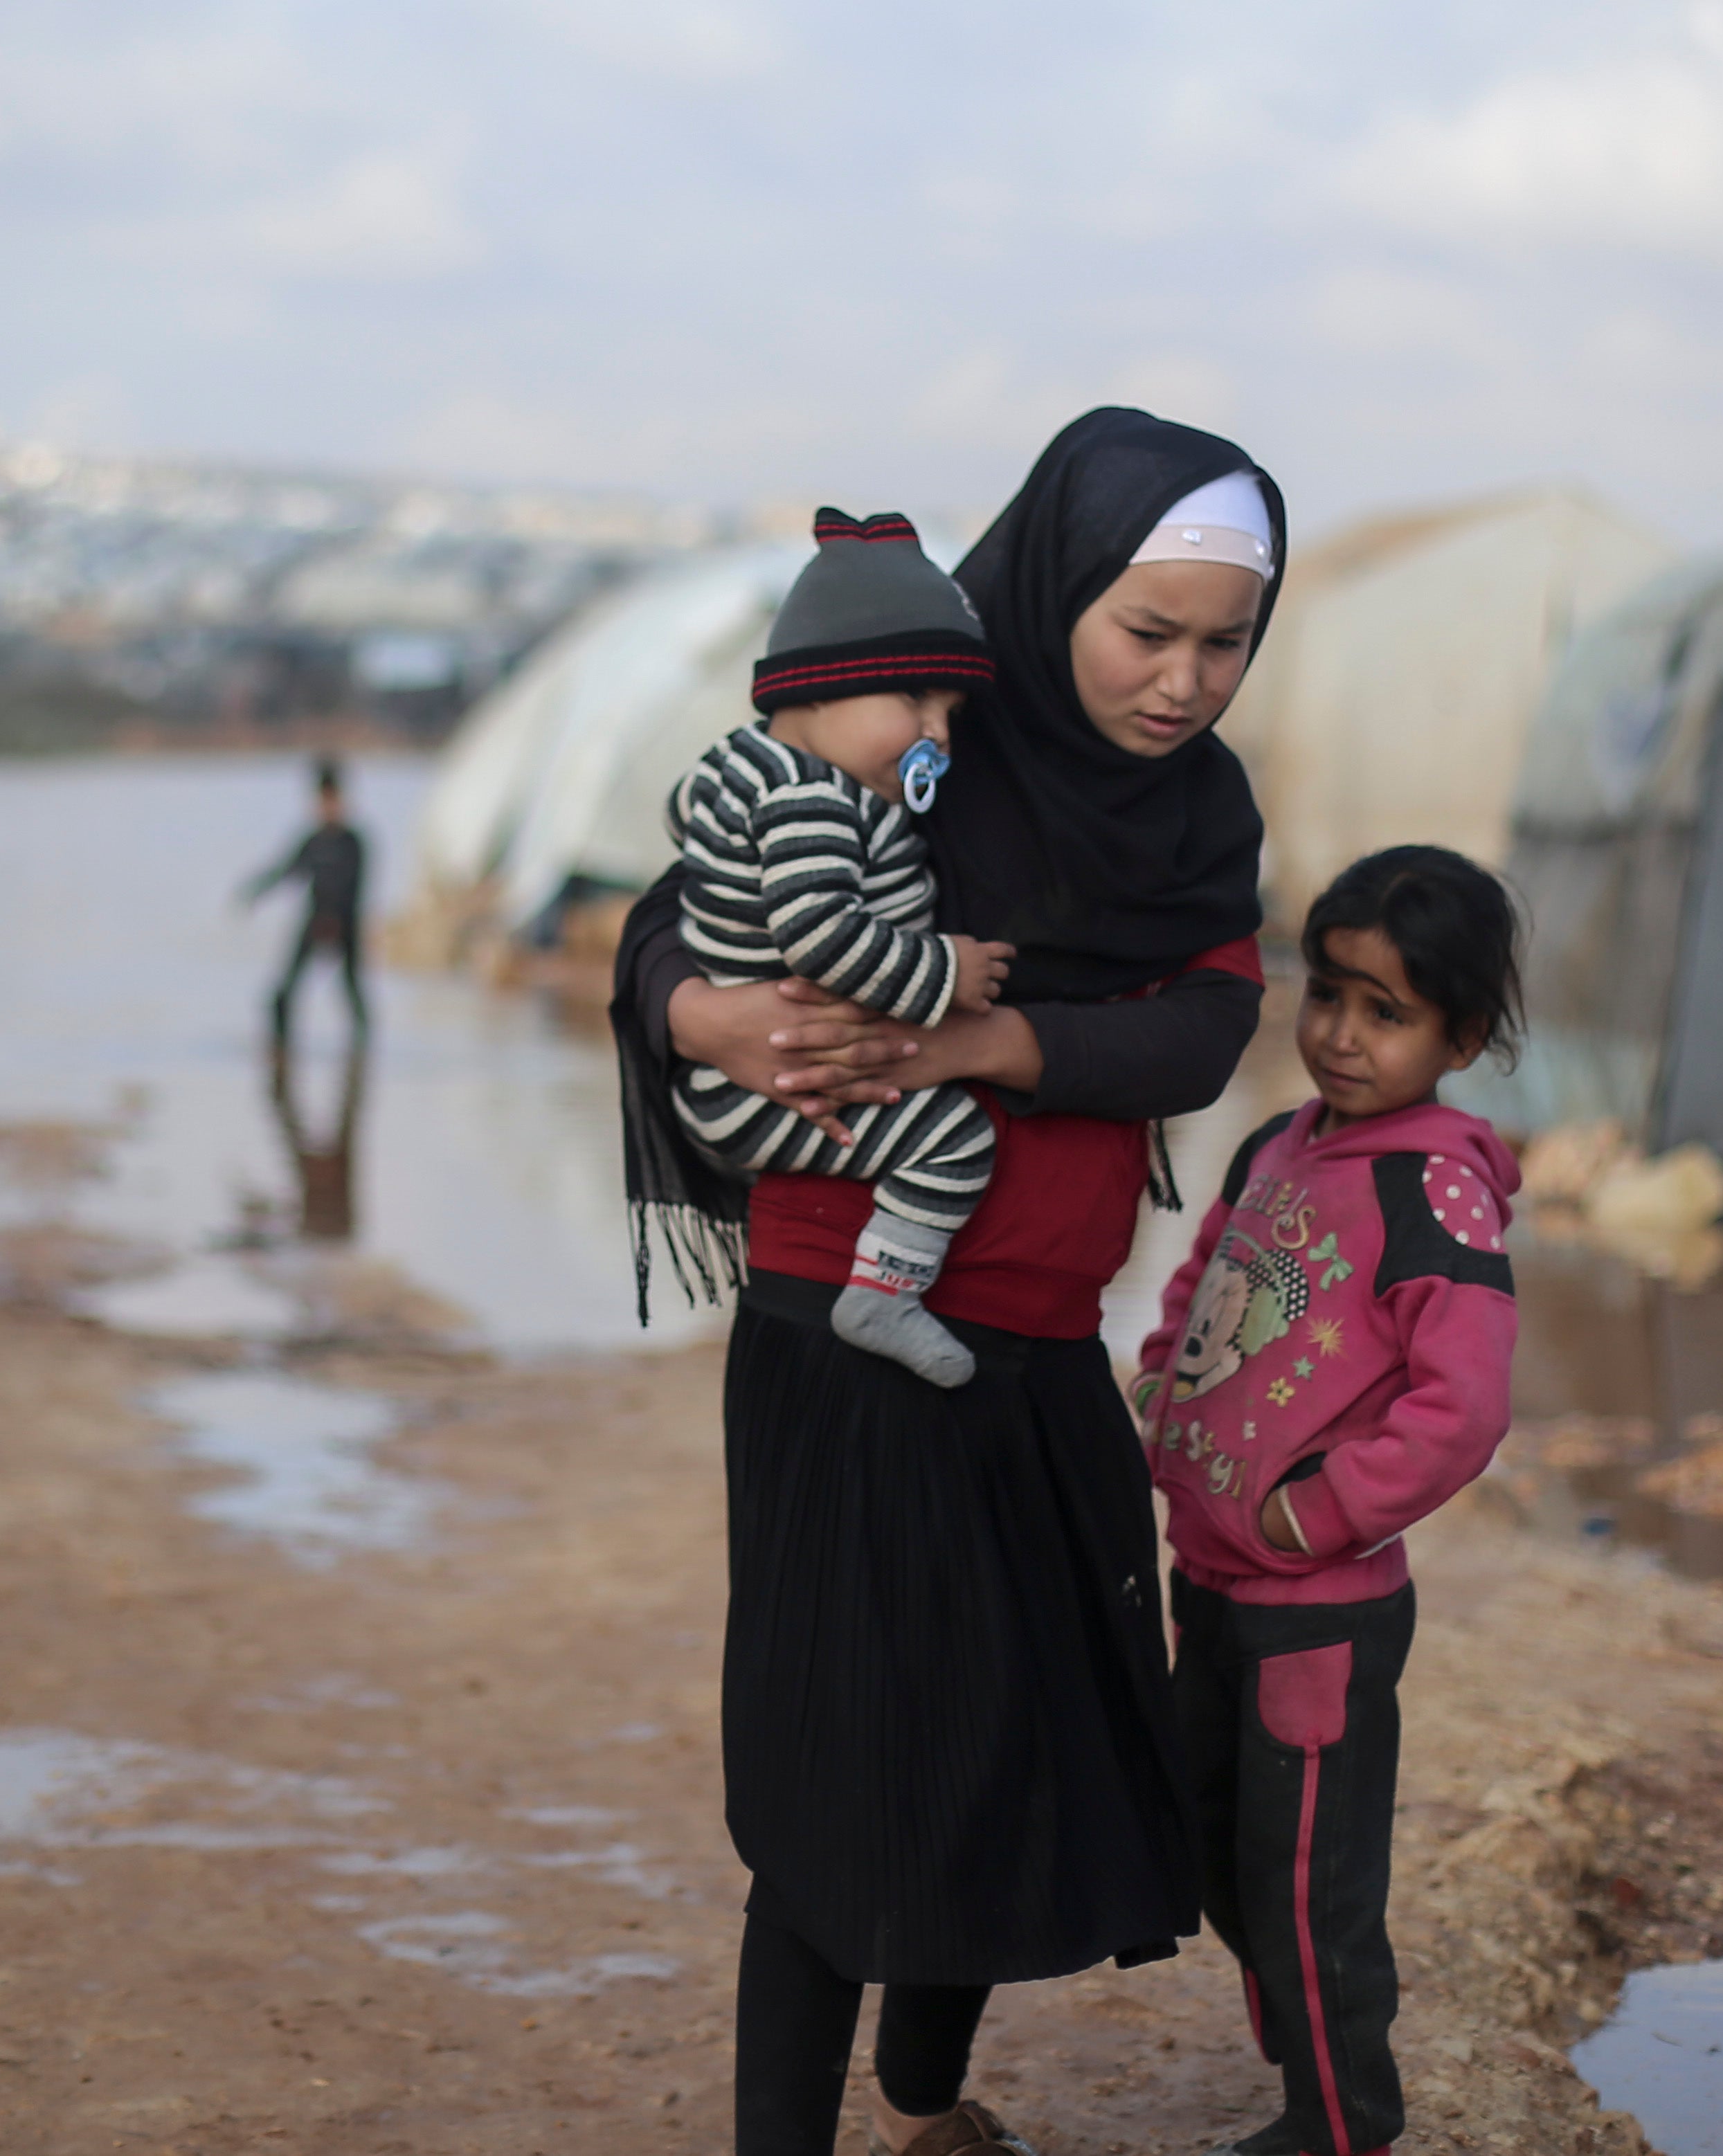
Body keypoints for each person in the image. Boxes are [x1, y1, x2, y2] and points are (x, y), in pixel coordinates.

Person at [612, 409, 1286, 2156]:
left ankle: (923, 2099)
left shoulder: (1197, 818)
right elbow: (676, 915)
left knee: (1007, 1735)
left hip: (1042, 1340)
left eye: (1226, 643)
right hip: (844, 1331)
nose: (1186, 681)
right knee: (850, 1756)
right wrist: (709, 1016)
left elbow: (1206, 1026)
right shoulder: (921, 731)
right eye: (1150, 633)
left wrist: (986, 1033)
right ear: (1058, 588)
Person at [1134, 844, 1526, 2156]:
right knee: (1210, 1848)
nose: (1341, 1037)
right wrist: (1161, 1402)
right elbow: (1200, 1291)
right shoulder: (1273, 1144)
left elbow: (1459, 1409)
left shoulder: (1436, 1190)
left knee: (1310, 1886)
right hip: (1213, 1580)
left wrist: (1316, 1515)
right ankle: (1300, 2054)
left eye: (1387, 1013)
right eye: (1327, 995)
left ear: (1460, 1036)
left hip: (1319, 1613)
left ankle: (1341, 2122)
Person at [662, 509, 1011, 1387]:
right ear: (815, 688)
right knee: (956, 1140)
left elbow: (680, 814)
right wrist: (946, 973)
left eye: (951, 710)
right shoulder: (814, 799)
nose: (938, 732)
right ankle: (883, 1293)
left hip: (735, 1079)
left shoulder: (740, 761)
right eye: (913, 699)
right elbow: (820, 937)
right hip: (778, 1087)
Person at [242, 756, 367, 1042]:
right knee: (283, 993)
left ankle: (360, 1052)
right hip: (313, 920)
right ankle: (280, 1049)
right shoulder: (313, 840)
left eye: (332, 800)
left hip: (345, 924)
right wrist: (255, 891)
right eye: (323, 800)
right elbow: (287, 870)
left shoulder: (354, 843)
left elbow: (355, 888)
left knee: (352, 992)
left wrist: (336, 921)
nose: (327, 807)